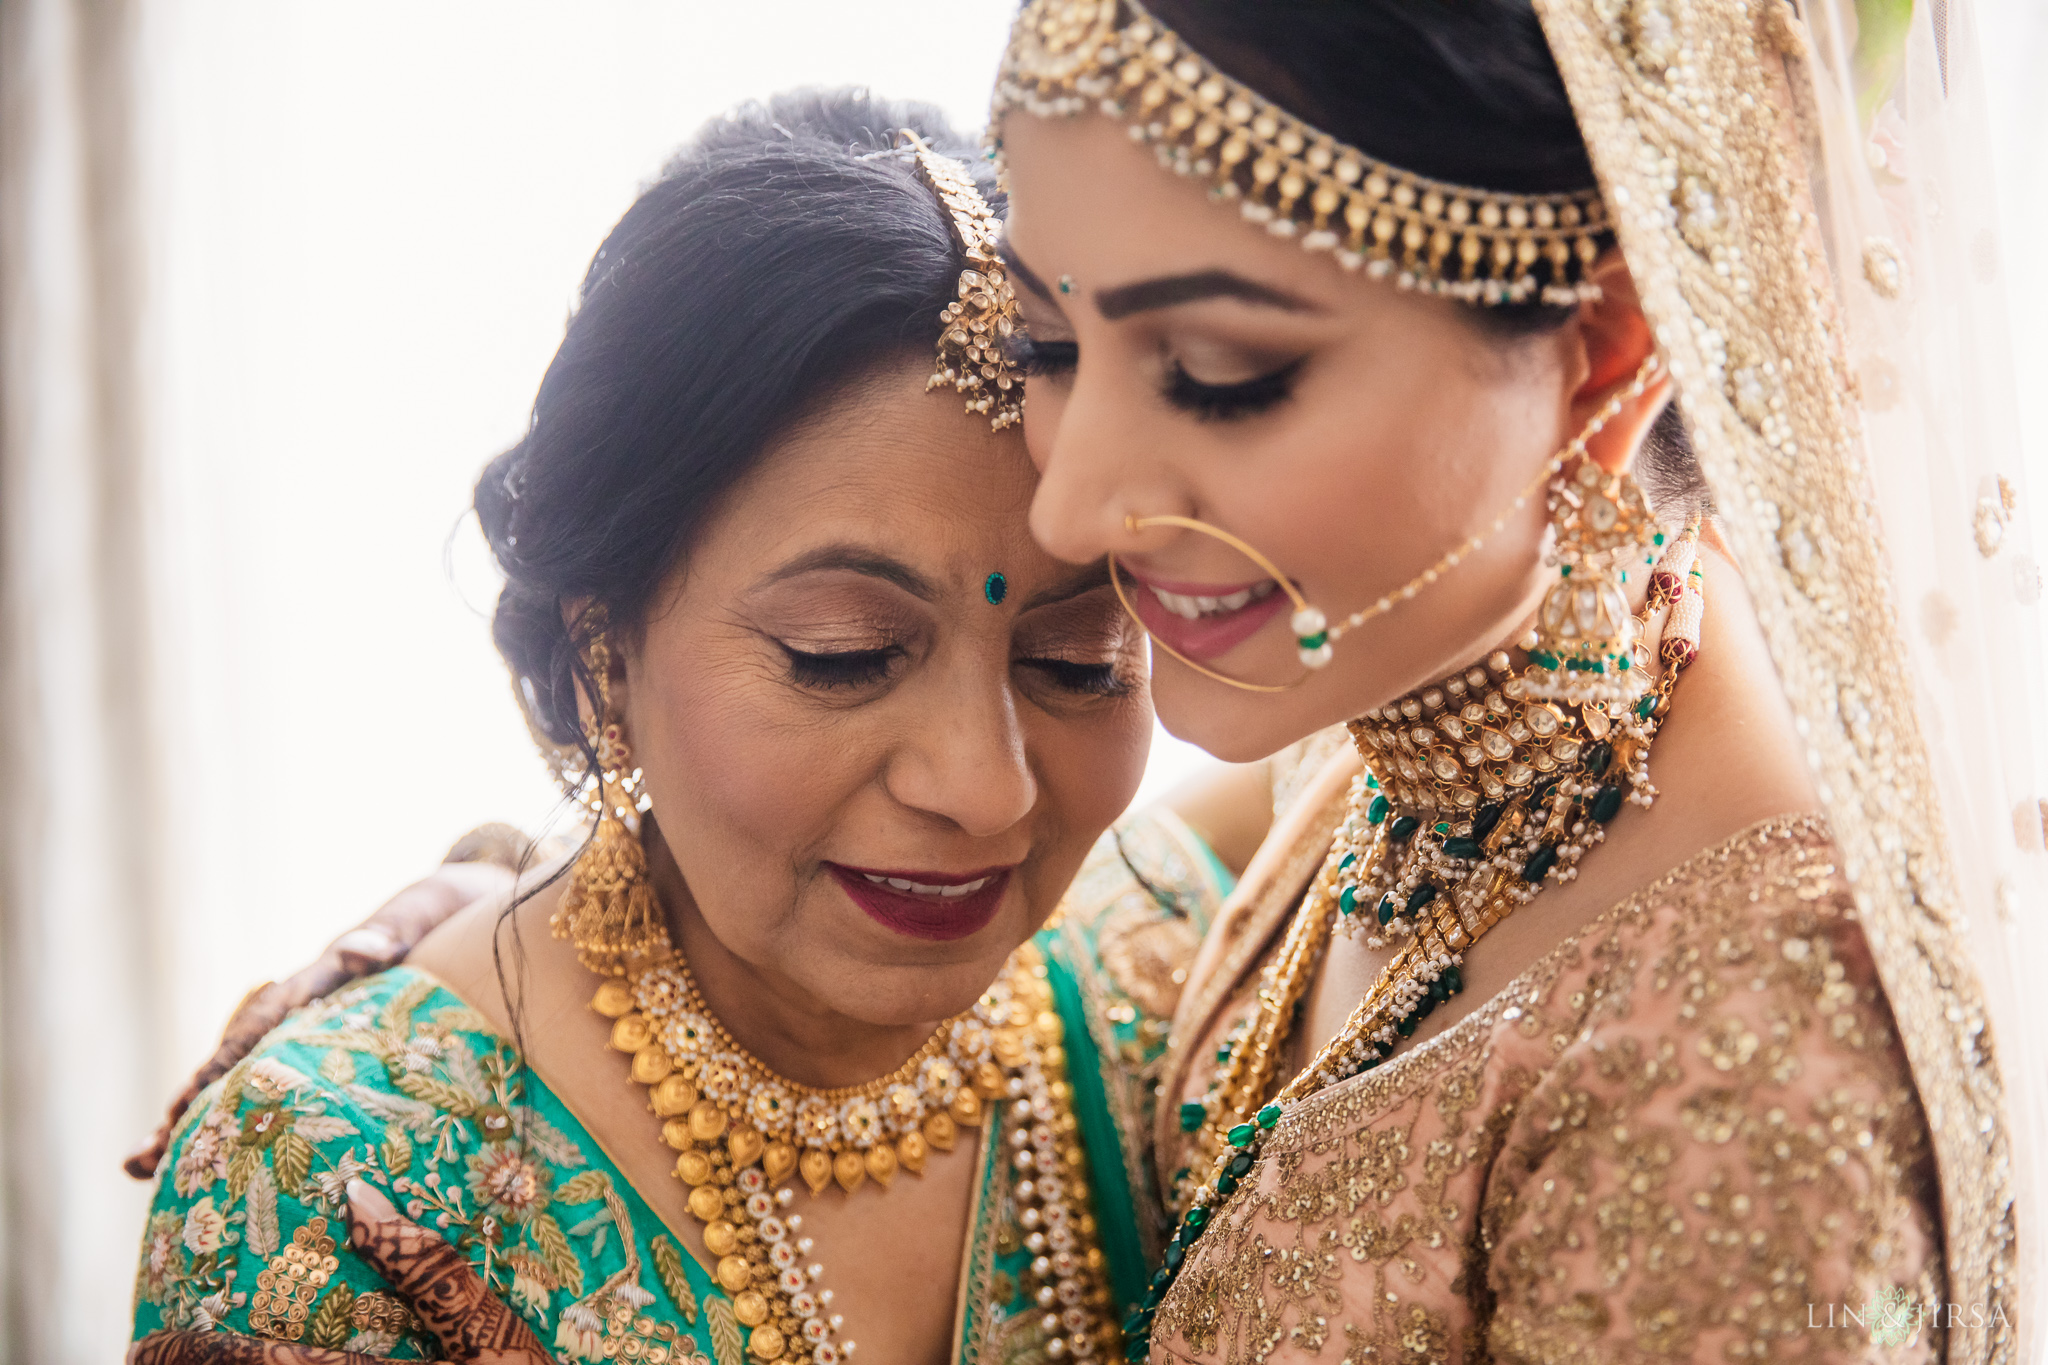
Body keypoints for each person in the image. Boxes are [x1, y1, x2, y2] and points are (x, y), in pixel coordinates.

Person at [128, 91, 1248, 1365]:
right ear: (604, 651)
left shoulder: (1171, 977)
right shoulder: (328, 1183)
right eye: (846, 655)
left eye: (1077, 659)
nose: (985, 789)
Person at [989, 1, 2038, 1361]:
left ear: (1600, 351)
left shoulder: (1751, 1062)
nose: (1071, 508)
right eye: (1046, 348)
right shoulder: (1391, 722)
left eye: (1216, 373)